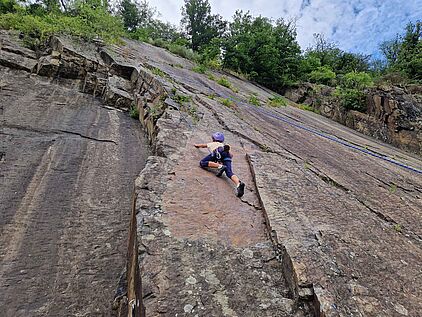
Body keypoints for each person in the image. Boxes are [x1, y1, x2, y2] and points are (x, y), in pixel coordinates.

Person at [194, 132, 245, 198]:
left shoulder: (212, 143)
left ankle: (220, 166)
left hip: (218, 152)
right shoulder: (222, 144)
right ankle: (238, 184)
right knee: (229, 172)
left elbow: (202, 145)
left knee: (202, 162)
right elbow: (231, 155)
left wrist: (196, 145)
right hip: (227, 155)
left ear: (214, 139)